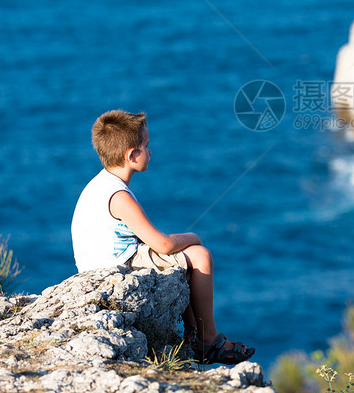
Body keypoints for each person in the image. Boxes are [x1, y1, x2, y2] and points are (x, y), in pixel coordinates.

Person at [71, 109, 254, 365]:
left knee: (184, 261)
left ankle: (194, 336)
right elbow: (163, 244)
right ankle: (208, 340)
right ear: (131, 155)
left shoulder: (100, 185)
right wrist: (193, 236)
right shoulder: (120, 197)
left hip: (96, 265)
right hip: (114, 268)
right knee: (200, 256)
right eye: (146, 146)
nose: (150, 151)